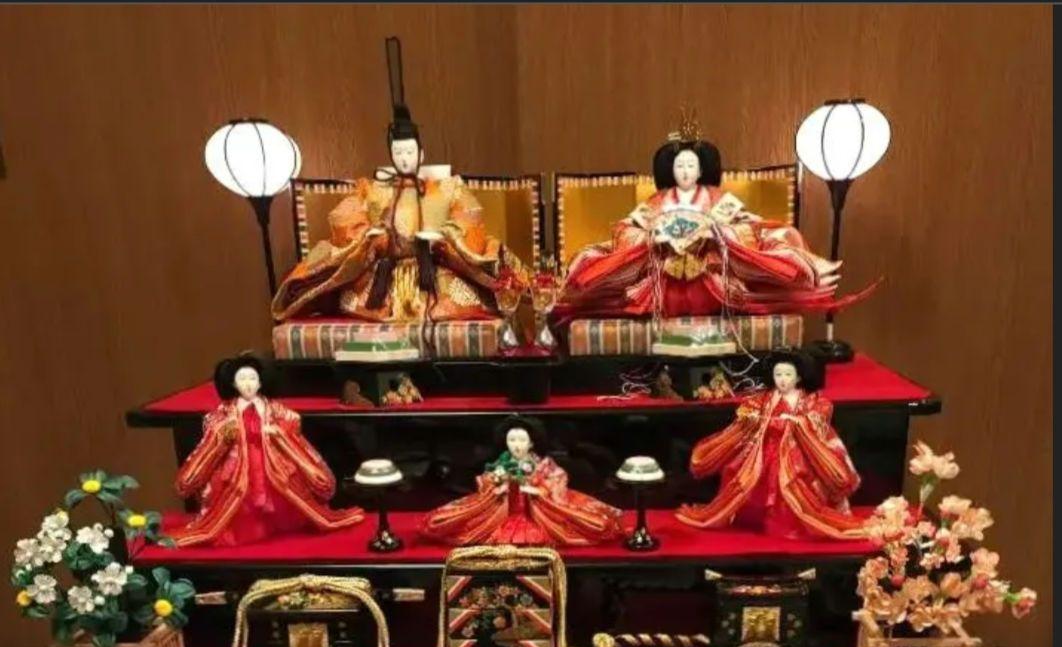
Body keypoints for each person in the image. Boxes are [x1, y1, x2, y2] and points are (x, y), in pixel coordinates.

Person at [271, 38, 522, 324]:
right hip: (383, 278)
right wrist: (370, 236)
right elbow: (344, 218)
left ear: (421, 153)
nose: (404, 158)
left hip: (436, 275)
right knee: (353, 299)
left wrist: (445, 236)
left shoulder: (447, 187)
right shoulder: (373, 189)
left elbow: (470, 215)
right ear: (390, 155)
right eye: (398, 153)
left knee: (462, 298)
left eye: (410, 152)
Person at [554, 117, 874, 326]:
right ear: (670, 170)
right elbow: (628, 228)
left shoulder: (719, 199)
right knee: (601, 264)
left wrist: (717, 235)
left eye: (691, 166)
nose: (685, 172)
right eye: (679, 166)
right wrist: (653, 239)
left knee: (769, 247)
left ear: (702, 169)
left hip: (711, 276)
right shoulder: (657, 202)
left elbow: (747, 226)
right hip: (663, 277)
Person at [173, 355, 363, 546]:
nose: (248, 384)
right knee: (239, 500)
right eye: (242, 379)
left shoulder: (275, 410)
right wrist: (224, 434)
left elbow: (292, 421)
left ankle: (275, 521)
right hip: (237, 467)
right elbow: (213, 429)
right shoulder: (224, 413)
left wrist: (278, 433)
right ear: (233, 383)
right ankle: (247, 527)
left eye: (252, 378)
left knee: (284, 493)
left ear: (260, 382)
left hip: (273, 463)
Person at [676, 351, 866, 540]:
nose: (782, 379)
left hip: (797, 450)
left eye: (788, 374)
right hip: (764, 449)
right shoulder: (765, 399)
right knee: (744, 475)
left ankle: (788, 524)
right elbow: (747, 410)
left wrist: (797, 422)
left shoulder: (812, 400)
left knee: (795, 480)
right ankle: (758, 518)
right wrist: (752, 417)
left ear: (798, 377)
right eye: (778, 374)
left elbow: (816, 418)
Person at [421, 416, 624, 546]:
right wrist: (496, 485)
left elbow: (558, 478)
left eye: (521, 440)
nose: (516, 445)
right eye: (512, 440)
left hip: (537, 512)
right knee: (447, 521)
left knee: (592, 523)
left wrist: (540, 490)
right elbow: (486, 481)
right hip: (502, 512)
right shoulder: (501, 463)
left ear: (531, 442)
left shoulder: (542, 464)